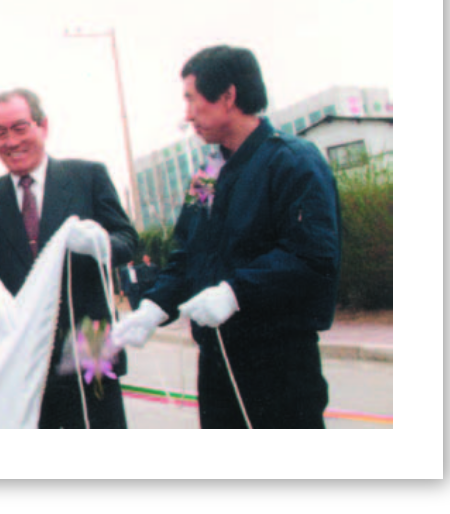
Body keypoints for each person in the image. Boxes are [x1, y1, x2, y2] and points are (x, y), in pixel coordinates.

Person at [112, 45, 341, 428]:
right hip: (217, 364)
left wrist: (236, 292)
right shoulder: (207, 175)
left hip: (279, 367)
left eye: (191, 99)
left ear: (228, 96)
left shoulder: (294, 161)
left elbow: (313, 256)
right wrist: (154, 307)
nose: (187, 115)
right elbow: (186, 253)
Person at [0, 88, 139, 428]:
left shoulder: (87, 177)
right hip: (23, 348)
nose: (11, 141)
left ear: (43, 126)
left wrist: (100, 243)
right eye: (0, 133)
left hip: (91, 339)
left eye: (20, 128)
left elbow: (127, 239)